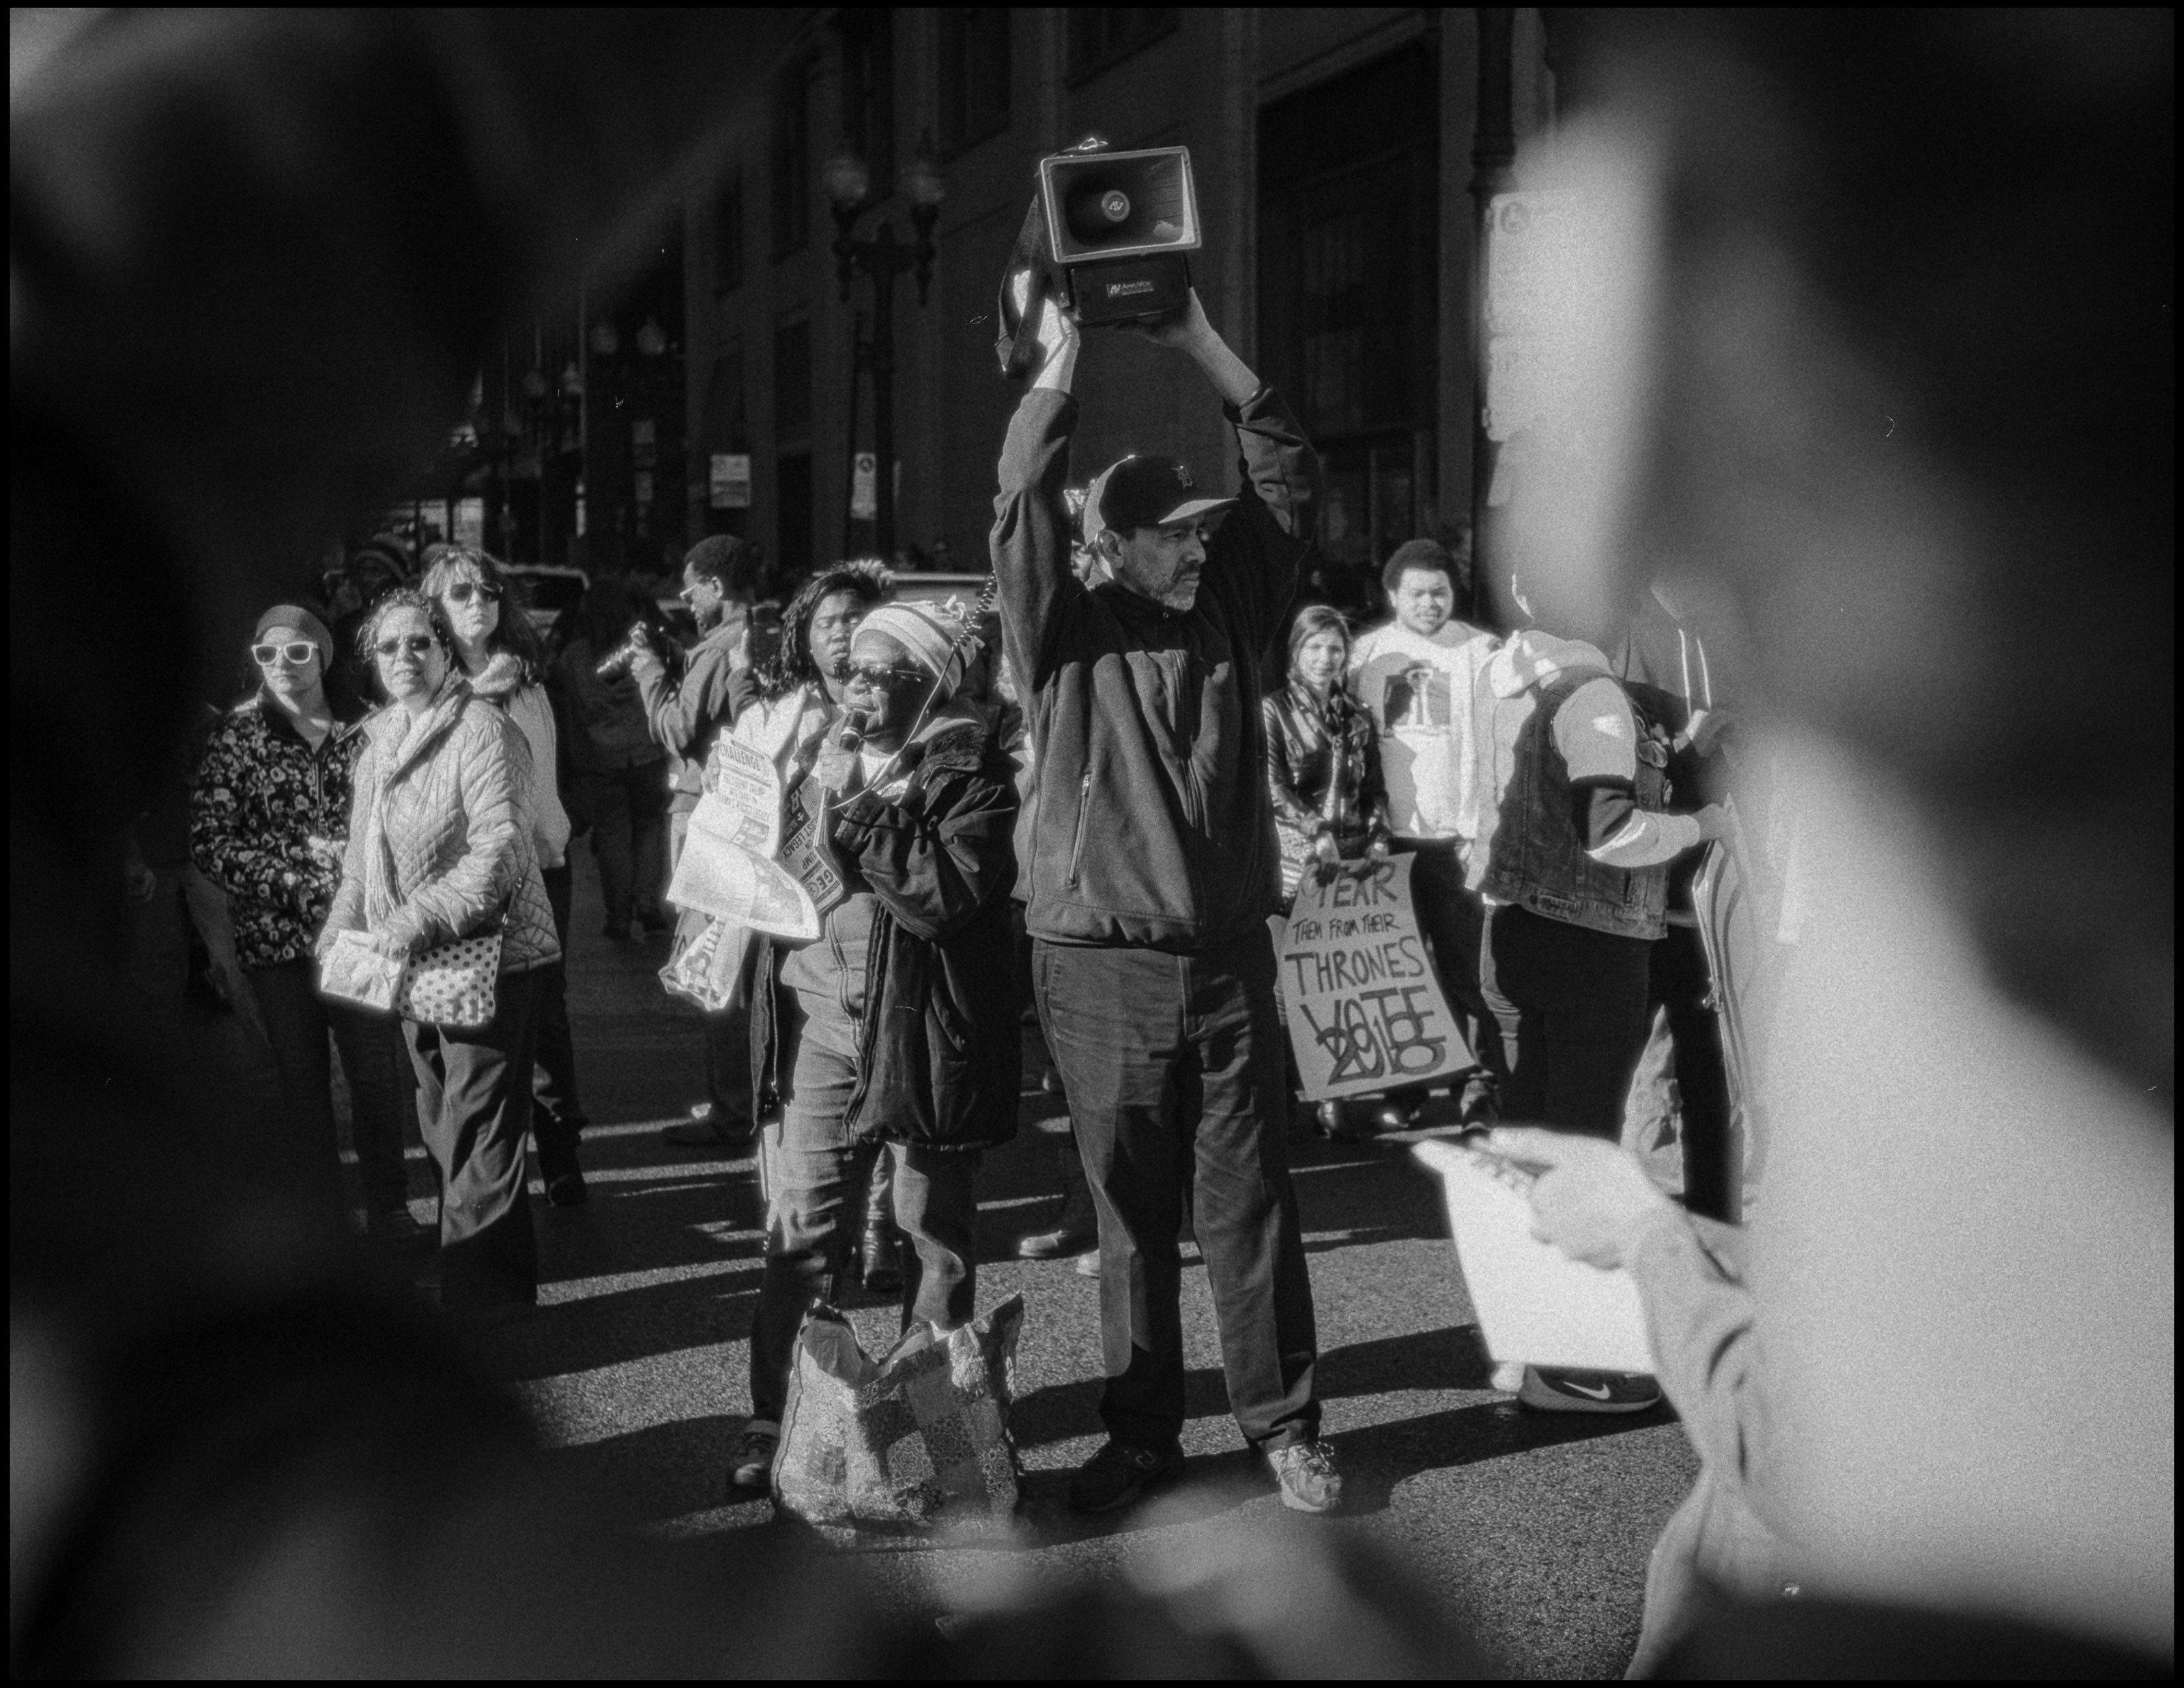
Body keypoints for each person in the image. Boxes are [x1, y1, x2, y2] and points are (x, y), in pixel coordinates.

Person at [992, 278, 1340, 1517]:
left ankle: (1285, 1426)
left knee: (1253, 1205)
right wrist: (1064, 352)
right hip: (1100, 965)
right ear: (1109, 544)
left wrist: (1197, 338)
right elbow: (1023, 500)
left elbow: (1286, 480)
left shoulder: (1230, 608)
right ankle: (1143, 1437)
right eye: (1171, 534)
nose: (1196, 547)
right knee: (1130, 1219)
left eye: (1200, 531)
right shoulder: (1060, 632)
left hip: (1229, 956)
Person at [723, 597, 1020, 1491]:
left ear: (930, 683)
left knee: (933, 1235)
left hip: (921, 1033)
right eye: (852, 670)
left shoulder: (973, 771)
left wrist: (854, 808)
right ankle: (780, 1426)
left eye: (883, 672)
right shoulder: (813, 756)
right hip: (817, 1023)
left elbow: (943, 896)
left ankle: (929, 1438)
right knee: (802, 1233)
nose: (857, 686)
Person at [1466, 562, 1731, 1413]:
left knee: (1528, 1145)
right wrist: (1705, 821)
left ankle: (1518, 1344)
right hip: (1589, 942)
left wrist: (1680, 751)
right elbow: (1609, 830)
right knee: (1575, 1151)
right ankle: (1560, 1365)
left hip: (1515, 931)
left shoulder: (1509, 677)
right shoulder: (1595, 696)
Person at [319, 590, 562, 1317]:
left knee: (481, 1130)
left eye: (419, 642)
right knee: (443, 1123)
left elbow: (498, 851)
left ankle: (476, 1300)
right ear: (372, 660)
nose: (404, 657)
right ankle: (500, 1281)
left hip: (495, 955)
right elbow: (361, 863)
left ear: (445, 651)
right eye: (389, 646)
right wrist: (340, 931)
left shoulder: (483, 728)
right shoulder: (379, 739)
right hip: (414, 962)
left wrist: (407, 923)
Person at [189, 603, 416, 1238]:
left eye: (297, 651)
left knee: (375, 1074)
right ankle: (325, 1218)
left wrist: (355, 868)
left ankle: (391, 1206)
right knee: (302, 1080)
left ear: (322, 655)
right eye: (267, 654)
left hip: (360, 933)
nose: (282, 664)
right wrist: (297, 880)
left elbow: (401, 821)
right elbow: (210, 840)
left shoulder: (369, 730)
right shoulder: (237, 735)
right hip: (276, 941)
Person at [422, 544, 590, 1207]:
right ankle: (477, 1172)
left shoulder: (529, 680)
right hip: (456, 880)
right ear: (433, 605)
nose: (478, 603)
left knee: (546, 1012)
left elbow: (554, 774)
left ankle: (561, 1154)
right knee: (464, 1019)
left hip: (539, 869)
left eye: (488, 591)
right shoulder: (418, 682)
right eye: (461, 592)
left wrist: (557, 836)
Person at [1347, 537, 1503, 1130]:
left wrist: (1479, 827)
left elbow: (1495, 745)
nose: (1431, 603)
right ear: (1393, 595)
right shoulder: (1366, 654)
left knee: (1468, 969)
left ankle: (1477, 1088)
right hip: (1388, 840)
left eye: (1440, 592)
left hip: (1456, 837)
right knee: (1399, 971)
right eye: (1417, 593)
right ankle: (1405, 1088)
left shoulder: (1479, 651)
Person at [631, 532, 763, 1149]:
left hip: (708, 812)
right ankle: (742, 1097)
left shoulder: (726, 644)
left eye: (691, 592)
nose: (687, 603)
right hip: (740, 813)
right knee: (735, 961)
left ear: (715, 584)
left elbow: (679, 728)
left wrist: (649, 673)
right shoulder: (756, 634)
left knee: (713, 960)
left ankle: (734, 1108)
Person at [1263, 603, 1392, 1139]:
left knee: (1338, 986)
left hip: (1350, 863)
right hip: (1293, 865)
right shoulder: (1273, 710)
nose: (1325, 657)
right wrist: (1314, 828)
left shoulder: (1357, 715)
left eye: (1335, 647)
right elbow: (1271, 785)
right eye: (1314, 646)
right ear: (1296, 651)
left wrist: (1380, 833)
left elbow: (1374, 787)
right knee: (1284, 988)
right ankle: (1280, 1096)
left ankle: (1332, 1096)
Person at [556, 577, 672, 941]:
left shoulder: (574, 658)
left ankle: (618, 917)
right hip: (647, 750)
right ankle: (648, 905)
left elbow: (568, 709)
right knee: (650, 827)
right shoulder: (640, 650)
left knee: (612, 835)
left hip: (601, 757)